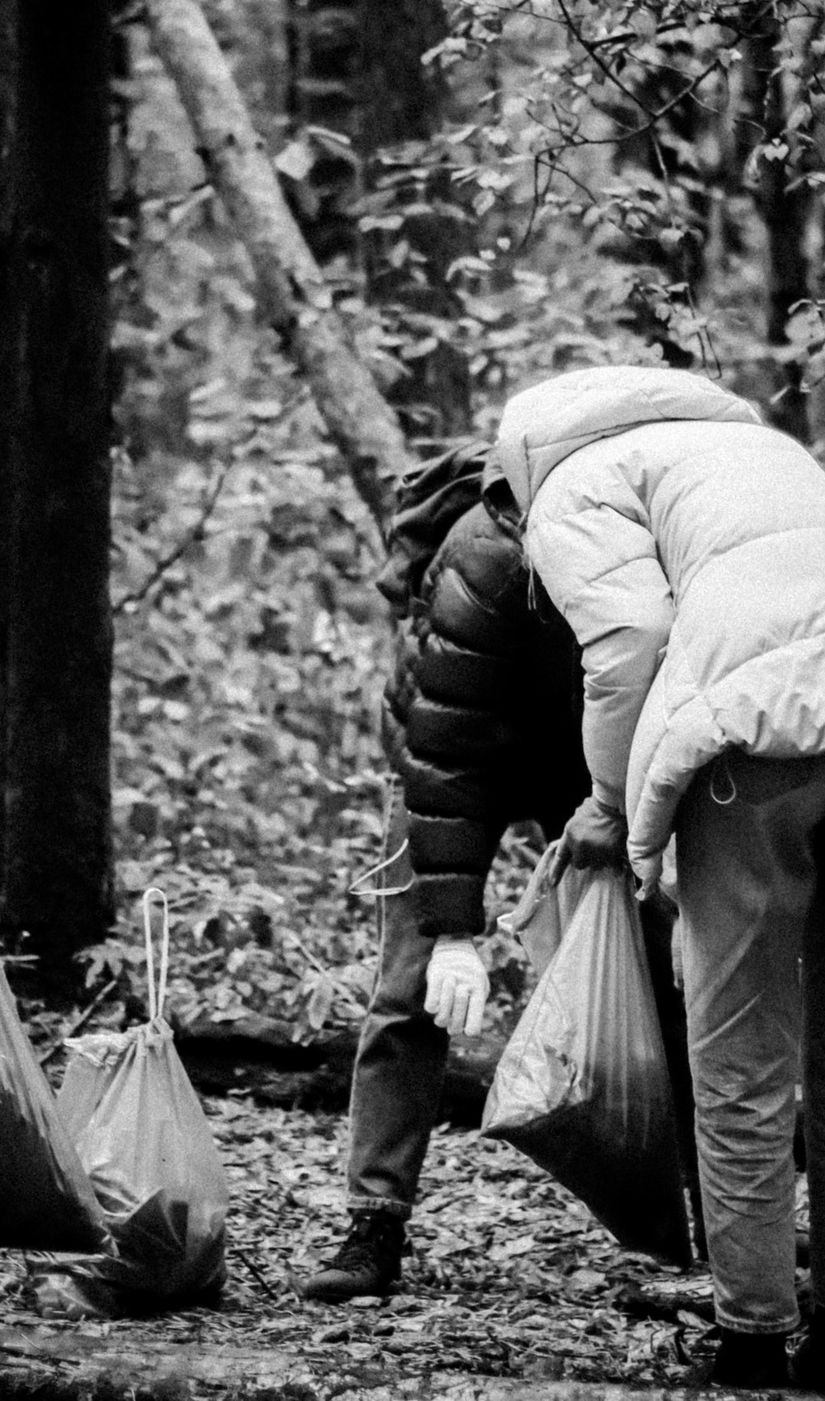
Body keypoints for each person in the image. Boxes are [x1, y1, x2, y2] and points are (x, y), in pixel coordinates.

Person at [424, 365, 825, 1393]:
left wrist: (607, 803)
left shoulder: (562, 488)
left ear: (510, 479)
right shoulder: (759, 450)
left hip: (758, 750)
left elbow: (631, 641)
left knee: (742, 1059)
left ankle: (750, 1338)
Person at [301, 445, 701, 1302]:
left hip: (589, 759)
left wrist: (622, 815)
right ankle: (372, 1223)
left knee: (663, 964)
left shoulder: (657, 541)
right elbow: (441, 755)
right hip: (452, 756)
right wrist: (453, 927)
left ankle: (726, 1213)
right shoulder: (485, 559)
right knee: (411, 987)